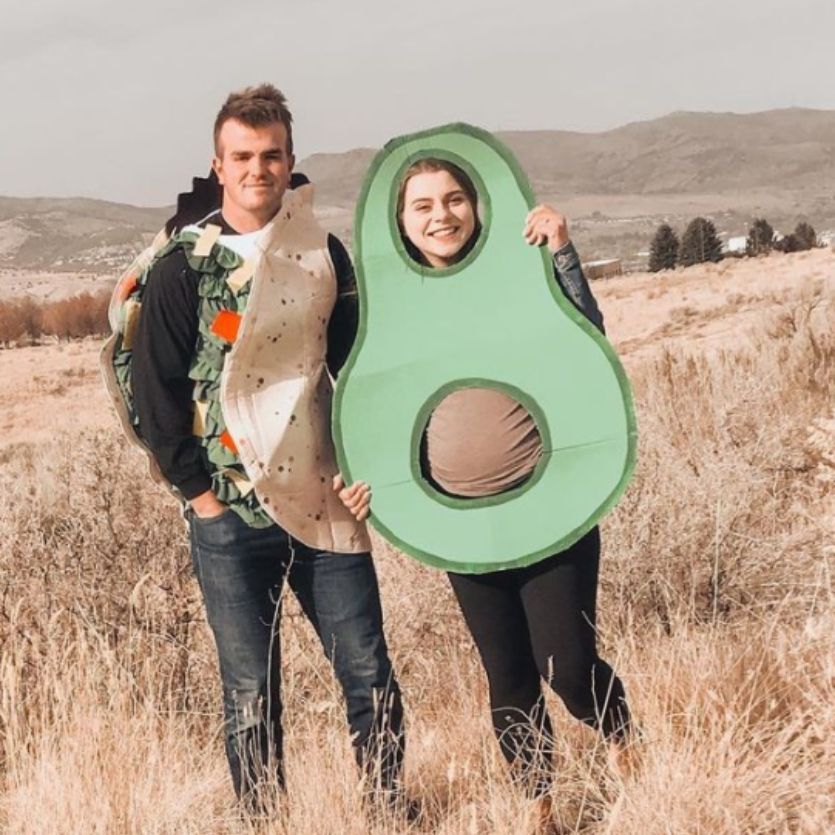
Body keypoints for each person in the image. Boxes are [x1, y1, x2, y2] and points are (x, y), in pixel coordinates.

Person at [121, 85, 404, 812]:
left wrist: (365, 467)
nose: (258, 168)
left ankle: (386, 809)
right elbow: (157, 393)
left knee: (368, 672)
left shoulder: (321, 251)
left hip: (320, 497)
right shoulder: (185, 266)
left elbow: (359, 369)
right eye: (242, 156)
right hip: (229, 517)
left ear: (291, 160)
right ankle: (264, 821)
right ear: (218, 164)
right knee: (250, 690)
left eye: (271, 154)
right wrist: (202, 499)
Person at [337, 158, 635, 828]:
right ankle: (539, 808)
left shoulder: (519, 270)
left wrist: (561, 252)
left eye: (453, 199)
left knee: (566, 663)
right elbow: (372, 411)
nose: (440, 215)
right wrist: (369, 486)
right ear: (401, 224)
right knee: (507, 675)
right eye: (421, 206)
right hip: (460, 526)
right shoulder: (387, 309)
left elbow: (586, 343)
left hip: (549, 507)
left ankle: (622, 739)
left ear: (476, 206)